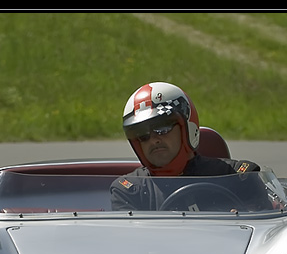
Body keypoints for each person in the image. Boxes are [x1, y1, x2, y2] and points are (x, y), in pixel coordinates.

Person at [111, 82, 265, 211]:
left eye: (162, 128)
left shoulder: (239, 177)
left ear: (187, 128)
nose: (153, 140)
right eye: (142, 134)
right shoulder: (128, 191)